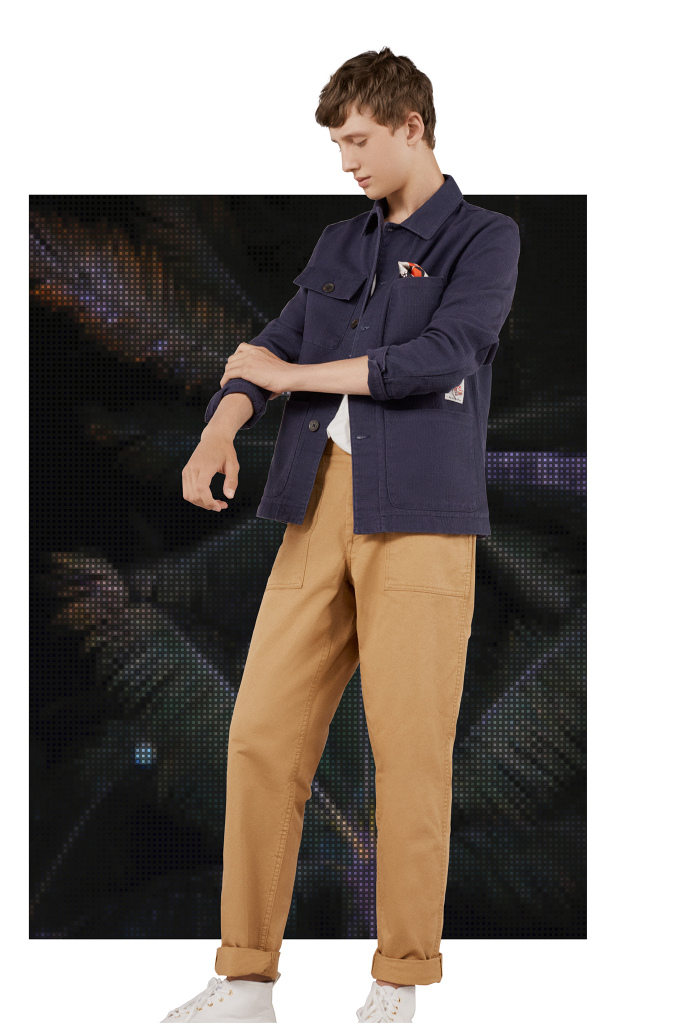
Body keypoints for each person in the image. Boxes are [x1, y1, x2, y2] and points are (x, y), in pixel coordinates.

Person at [163, 46, 520, 1024]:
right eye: (336, 145)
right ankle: (245, 978)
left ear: (411, 126)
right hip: (312, 502)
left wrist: (291, 380)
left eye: (358, 140)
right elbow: (271, 343)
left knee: (408, 755)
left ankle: (398, 981)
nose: (346, 161)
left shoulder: (483, 238)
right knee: (259, 736)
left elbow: (440, 357)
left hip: (421, 518)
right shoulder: (340, 241)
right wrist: (221, 426)